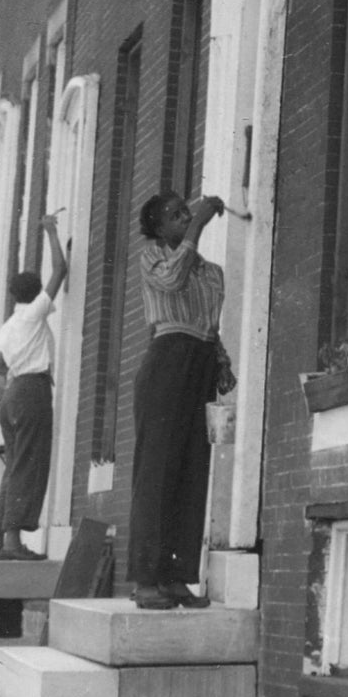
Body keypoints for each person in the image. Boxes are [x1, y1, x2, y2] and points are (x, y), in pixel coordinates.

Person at [128, 190, 235, 610]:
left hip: (202, 362)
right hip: (167, 360)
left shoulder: (212, 272)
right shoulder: (152, 257)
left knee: (192, 469)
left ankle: (175, 575)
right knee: (157, 471)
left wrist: (222, 361)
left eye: (185, 212)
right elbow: (171, 279)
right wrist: (198, 225)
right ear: (158, 228)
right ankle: (145, 579)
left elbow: (210, 323)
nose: (184, 218)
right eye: (174, 216)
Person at [0, 214, 68, 561]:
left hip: (11, 394)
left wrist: (17, 359)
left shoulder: (8, 326)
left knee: (13, 465)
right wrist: (51, 230)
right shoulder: (35, 312)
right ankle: (12, 544)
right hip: (32, 391)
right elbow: (60, 270)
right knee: (28, 464)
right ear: (35, 293)